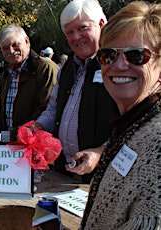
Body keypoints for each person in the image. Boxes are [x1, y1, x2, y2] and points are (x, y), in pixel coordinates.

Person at [79, 2, 161, 229]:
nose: (119, 65)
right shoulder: (132, 124)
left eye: (136, 55)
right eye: (108, 55)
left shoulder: (157, 140)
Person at [34, 0, 118, 181]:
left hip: (103, 176)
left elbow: (130, 125)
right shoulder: (67, 67)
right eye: (69, 32)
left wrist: (100, 153)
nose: (76, 37)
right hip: (65, 172)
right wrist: (37, 127)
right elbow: (53, 109)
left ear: (102, 24)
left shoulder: (118, 64)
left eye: (82, 28)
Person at [0, 24, 58, 143]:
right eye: (5, 48)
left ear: (27, 41)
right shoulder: (6, 74)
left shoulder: (44, 68)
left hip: (36, 144)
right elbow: (3, 110)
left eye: (15, 45)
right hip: (12, 144)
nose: (11, 51)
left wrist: (23, 132)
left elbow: (48, 109)